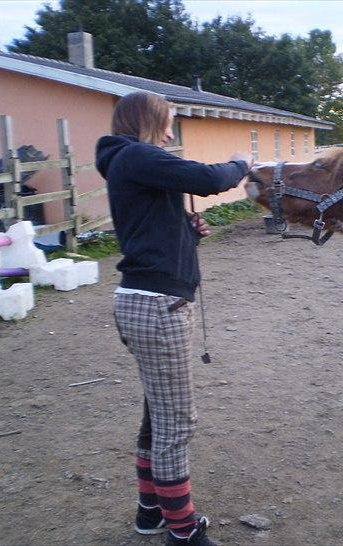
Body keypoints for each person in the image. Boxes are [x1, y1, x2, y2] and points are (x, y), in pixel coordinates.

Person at [95, 91, 251, 546]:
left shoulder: (131, 162)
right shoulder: (135, 156)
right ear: (147, 121)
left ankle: (150, 513)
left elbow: (148, 230)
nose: (170, 132)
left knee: (156, 416)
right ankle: (183, 531)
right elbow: (207, 179)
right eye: (167, 122)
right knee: (176, 423)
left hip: (146, 301)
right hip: (157, 307)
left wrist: (186, 232)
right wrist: (240, 163)